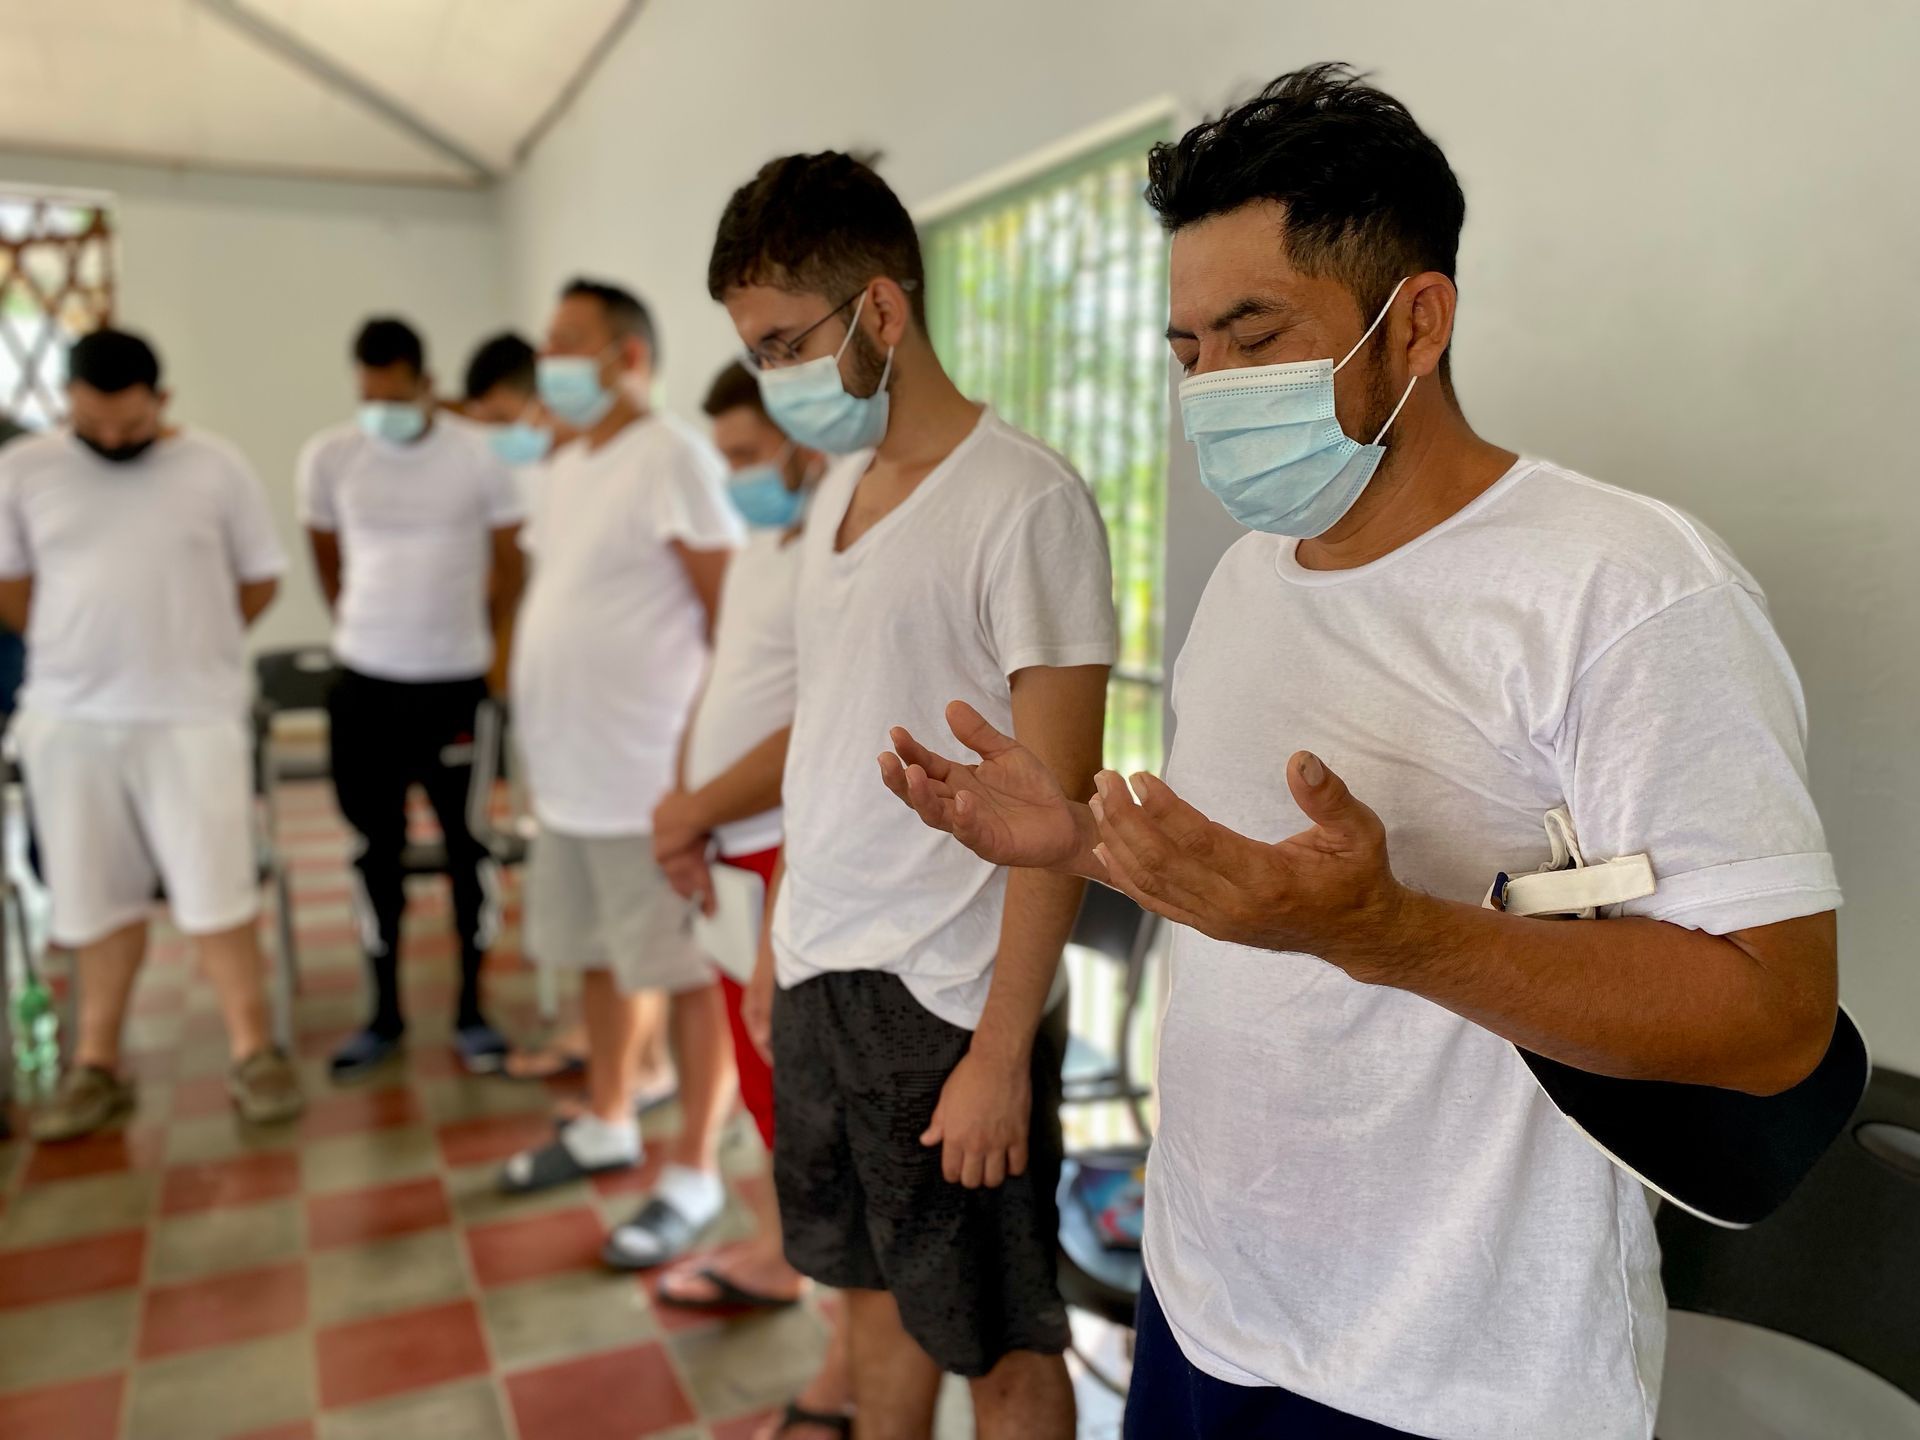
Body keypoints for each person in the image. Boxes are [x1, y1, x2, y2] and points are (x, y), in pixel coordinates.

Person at [879, 64, 1843, 1440]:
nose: (1211, 382)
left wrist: (1392, 933)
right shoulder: (1251, 580)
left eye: (1254, 330)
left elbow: (1776, 1019)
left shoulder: (1626, 587)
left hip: (1458, 1374)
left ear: (1418, 322)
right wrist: (1081, 840)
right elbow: (1253, 896)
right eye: (1187, 348)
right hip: (1207, 1302)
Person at [709, 152, 1117, 1440]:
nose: (772, 379)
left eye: (785, 343)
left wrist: (1000, 1051)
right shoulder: (839, 488)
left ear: (882, 311)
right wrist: (788, 955)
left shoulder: (1023, 503)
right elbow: (830, 749)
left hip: (945, 997)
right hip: (829, 967)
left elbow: (1061, 807)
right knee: (870, 1304)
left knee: (998, 1341)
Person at [0, 329, 305, 1138]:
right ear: (67, 403)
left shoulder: (215, 466)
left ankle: (253, 1051)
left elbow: (261, 578)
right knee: (94, 899)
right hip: (71, 720)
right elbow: (10, 586)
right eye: (93, 425)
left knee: (218, 890)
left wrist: (186, 648)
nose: (111, 441)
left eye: (130, 428)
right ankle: (96, 1062)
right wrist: (87, 647)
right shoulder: (25, 471)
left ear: (162, 403)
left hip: (191, 718)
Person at [498, 278, 742, 1272]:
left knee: (686, 977)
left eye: (568, 343)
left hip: (650, 779)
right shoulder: (564, 465)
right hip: (570, 778)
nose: (549, 359)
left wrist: (697, 775)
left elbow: (729, 620)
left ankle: (691, 1170)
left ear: (628, 358)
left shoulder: (672, 457)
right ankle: (607, 1117)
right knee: (598, 957)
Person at [648, 361, 852, 1440]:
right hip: (729, 850)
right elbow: (723, 686)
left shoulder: (832, 546)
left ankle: (845, 1366)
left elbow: (817, 722)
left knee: (805, 1118)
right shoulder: (763, 547)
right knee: (764, 1099)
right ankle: (778, 1260)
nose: (730, 478)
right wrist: (683, 805)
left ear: (802, 441)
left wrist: (694, 811)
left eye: (741, 457)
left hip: (783, 852)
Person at [297, 317, 525, 1080]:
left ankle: (472, 1009)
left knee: (468, 850)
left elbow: (508, 570)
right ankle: (384, 1012)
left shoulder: (479, 456)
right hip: (364, 684)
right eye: (368, 395)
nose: (380, 410)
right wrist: (371, 633)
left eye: (394, 395)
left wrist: (495, 670)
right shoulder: (330, 458)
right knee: (375, 853)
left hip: (456, 685)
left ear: (427, 385)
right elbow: (327, 564)